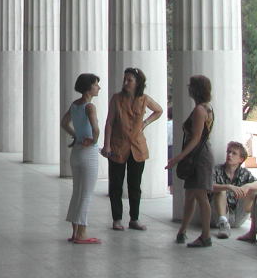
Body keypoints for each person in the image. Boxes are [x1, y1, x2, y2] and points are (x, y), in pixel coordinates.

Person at [100, 67, 163, 231]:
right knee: (116, 185)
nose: (126, 83)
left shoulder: (144, 99)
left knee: (135, 185)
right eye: (125, 79)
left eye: (130, 80)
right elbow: (109, 122)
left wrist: (145, 123)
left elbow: (159, 110)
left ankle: (134, 218)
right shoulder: (116, 99)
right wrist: (107, 145)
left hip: (137, 148)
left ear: (137, 83)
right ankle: (117, 219)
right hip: (117, 146)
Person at [167, 75, 215, 248]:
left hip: (198, 157)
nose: (188, 88)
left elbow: (195, 139)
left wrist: (177, 158)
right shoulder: (207, 108)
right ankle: (182, 230)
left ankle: (206, 236)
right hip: (200, 155)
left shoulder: (199, 110)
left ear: (196, 89)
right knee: (190, 195)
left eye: (191, 86)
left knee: (201, 195)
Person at [61, 73, 102, 244]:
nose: (98, 87)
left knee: (77, 192)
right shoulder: (89, 106)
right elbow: (96, 129)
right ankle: (82, 233)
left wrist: (76, 135)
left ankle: (75, 231)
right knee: (86, 194)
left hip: (76, 152)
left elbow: (64, 123)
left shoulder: (75, 105)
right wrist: (94, 141)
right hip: (88, 153)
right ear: (88, 87)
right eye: (96, 84)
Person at [210, 141, 257, 240]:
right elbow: (208, 186)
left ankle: (252, 231)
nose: (229, 155)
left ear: (241, 159)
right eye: (228, 152)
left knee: (256, 191)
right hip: (217, 217)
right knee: (221, 190)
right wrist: (228, 186)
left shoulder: (244, 173)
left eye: (234, 153)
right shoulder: (217, 169)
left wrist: (248, 186)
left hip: (237, 217)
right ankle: (223, 224)